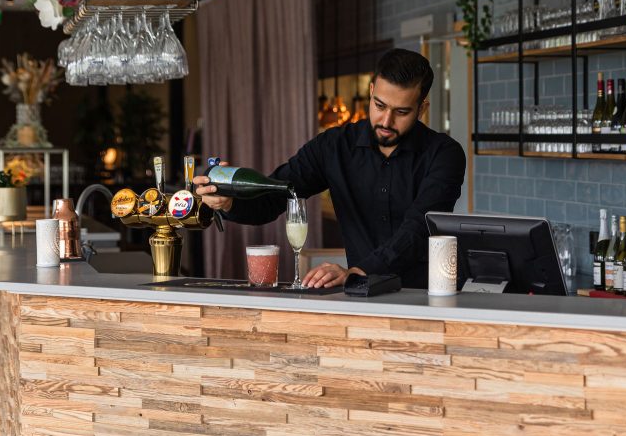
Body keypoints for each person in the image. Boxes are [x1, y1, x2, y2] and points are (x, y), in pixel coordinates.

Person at [194, 48, 466, 289]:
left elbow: (419, 229)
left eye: (402, 112)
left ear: (422, 110)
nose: (386, 120)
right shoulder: (333, 147)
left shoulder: (444, 155)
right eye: (379, 105)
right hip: (363, 297)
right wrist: (229, 202)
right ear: (371, 92)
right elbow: (276, 194)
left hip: (427, 296)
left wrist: (359, 272)